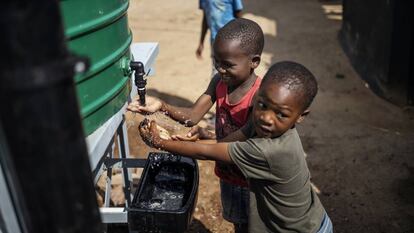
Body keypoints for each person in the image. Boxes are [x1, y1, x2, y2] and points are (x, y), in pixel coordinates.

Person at [139, 61, 333, 233]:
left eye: (280, 114)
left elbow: (206, 153)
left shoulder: (271, 151)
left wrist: (160, 142)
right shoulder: (277, 131)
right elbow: (227, 143)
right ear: (258, 96)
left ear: (301, 116)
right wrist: (207, 135)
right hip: (307, 220)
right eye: (262, 105)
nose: (266, 118)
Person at [128, 18, 264, 233]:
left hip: (252, 181)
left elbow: (227, 148)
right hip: (229, 174)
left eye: (228, 64)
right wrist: (160, 105)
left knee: (252, 226)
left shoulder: (260, 99)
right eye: (217, 61)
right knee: (238, 223)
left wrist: (162, 142)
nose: (221, 69)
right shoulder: (219, 82)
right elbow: (192, 116)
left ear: (254, 61)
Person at [196, 0, 244, 76]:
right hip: (215, 40)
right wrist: (201, 43)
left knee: (232, 68)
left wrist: (242, 37)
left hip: (232, 39)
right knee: (217, 70)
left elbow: (238, 14)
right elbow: (205, 17)